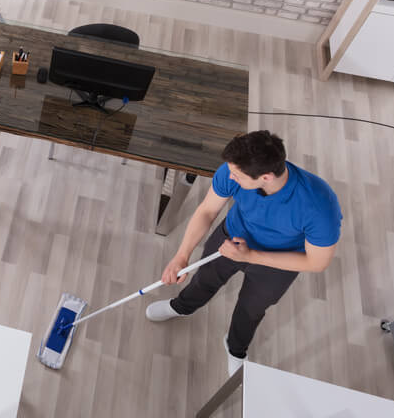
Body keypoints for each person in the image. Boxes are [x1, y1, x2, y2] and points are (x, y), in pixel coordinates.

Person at [146, 130, 342, 375]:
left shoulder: (319, 206)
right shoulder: (233, 170)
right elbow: (207, 211)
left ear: (266, 177)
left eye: (237, 176)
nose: (230, 177)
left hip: (277, 263)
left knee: (252, 309)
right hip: (230, 238)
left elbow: (317, 262)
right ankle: (181, 307)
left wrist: (250, 256)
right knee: (204, 280)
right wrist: (181, 256)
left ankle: (235, 347)